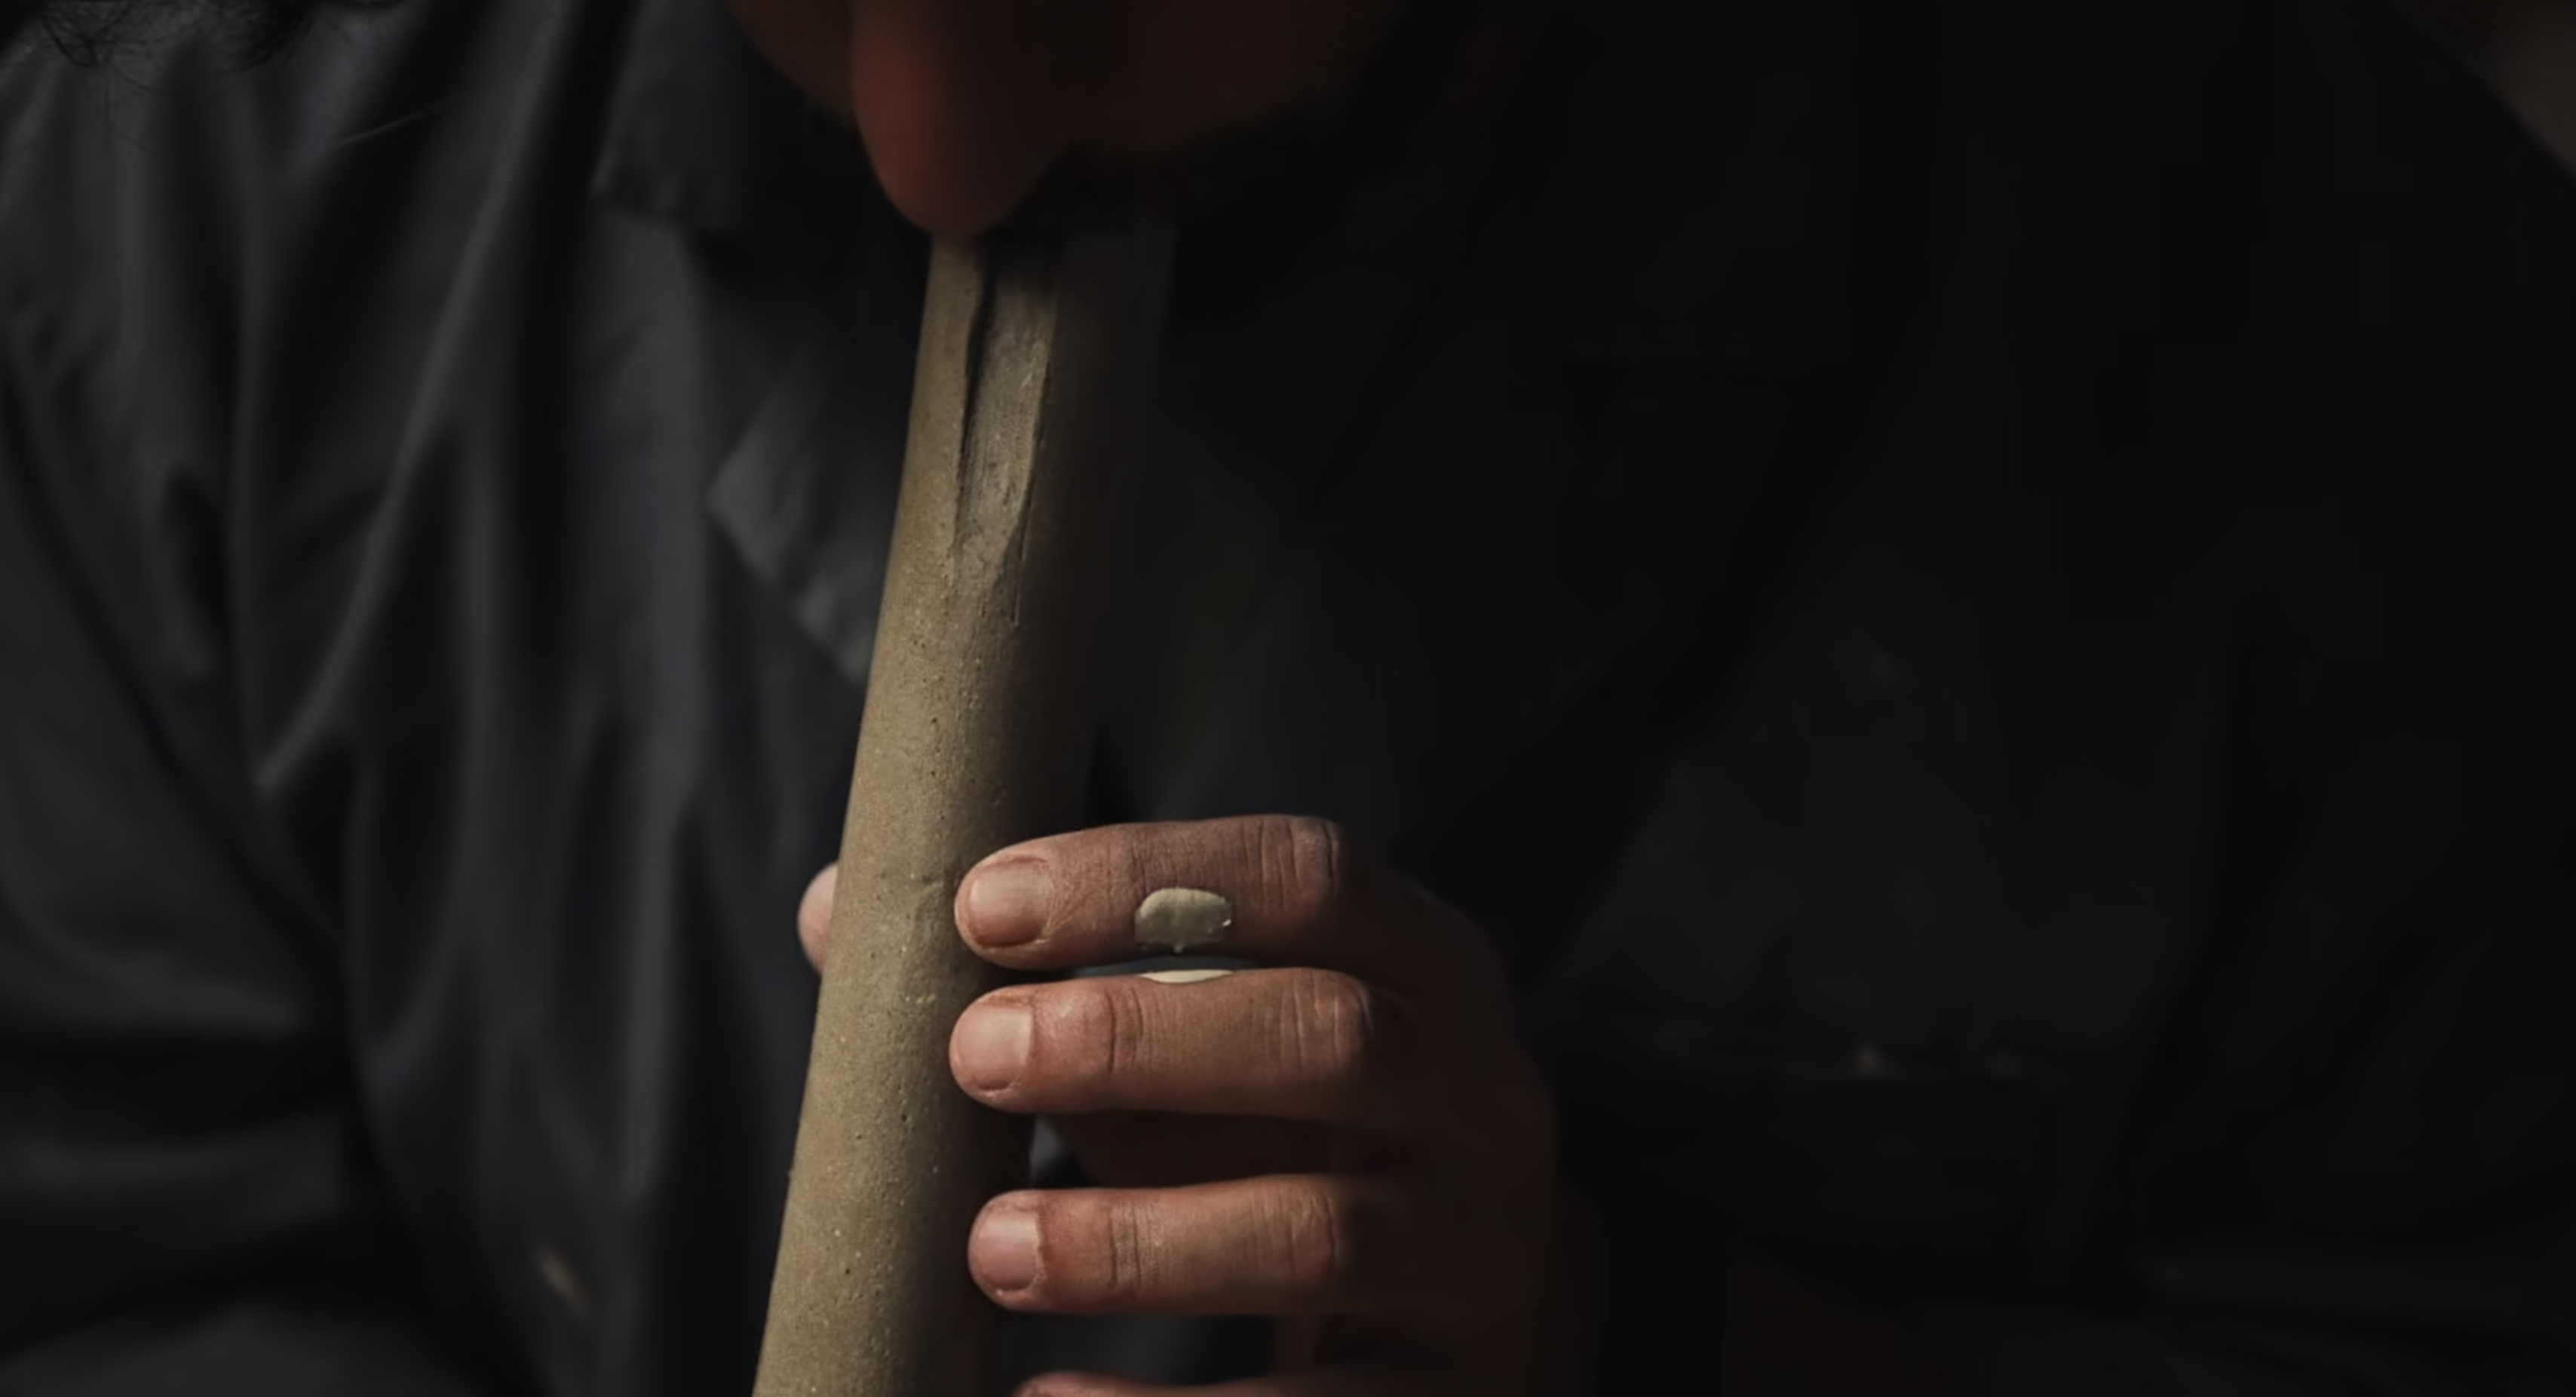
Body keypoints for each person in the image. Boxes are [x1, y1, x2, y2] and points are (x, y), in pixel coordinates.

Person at [2, 0, 2571, 1393]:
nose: (939, 141)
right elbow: (125, 1273)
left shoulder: (2380, 337)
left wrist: (1636, 1347)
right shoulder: (179, 202)